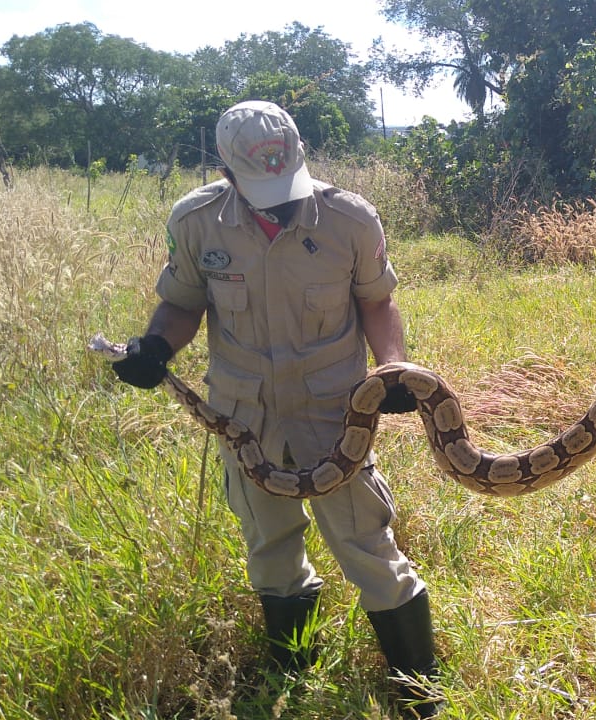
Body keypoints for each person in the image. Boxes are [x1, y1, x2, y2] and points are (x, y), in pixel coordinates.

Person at [110, 100, 440, 717]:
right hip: (244, 416)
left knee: (365, 543)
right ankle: (294, 675)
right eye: (258, 187)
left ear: (298, 155)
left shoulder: (348, 219)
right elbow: (183, 303)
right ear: (227, 170)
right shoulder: (197, 221)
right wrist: (155, 345)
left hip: (332, 415)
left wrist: (392, 368)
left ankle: (420, 689)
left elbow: (377, 303)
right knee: (270, 548)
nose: (276, 199)